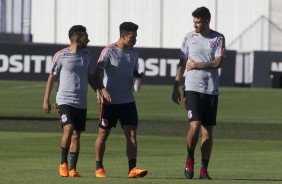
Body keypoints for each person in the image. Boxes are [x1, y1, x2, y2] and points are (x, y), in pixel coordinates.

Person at [172, 7, 226, 180]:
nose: (195, 25)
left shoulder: (218, 38)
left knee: (207, 131)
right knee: (194, 126)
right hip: (192, 87)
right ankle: (189, 158)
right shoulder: (189, 37)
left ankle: (204, 169)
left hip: (211, 89)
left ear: (207, 21)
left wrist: (197, 65)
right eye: (193, 22)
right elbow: (182, 63)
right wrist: (175, 86)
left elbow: (218, 62)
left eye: (198, 22)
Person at [94, 22, 148, 178]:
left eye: (136, 37)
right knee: (103, 135)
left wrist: (138, 76)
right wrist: (102, 90)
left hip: (127, 101)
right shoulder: (108, 51)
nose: (135, 40)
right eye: (132, 37)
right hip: (109, 102)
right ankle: (99, 167)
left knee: (132, 135)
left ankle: (132, 169)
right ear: (123, 36)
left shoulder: (134, 52)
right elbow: (97, 73)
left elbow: (133, 71)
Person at [43, 25, 97, 177]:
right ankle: (63, 164)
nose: (89, 39)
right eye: (86, 36)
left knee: (76, 135)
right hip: (64, 100)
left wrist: (98, 91)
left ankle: (73, 169)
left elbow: (91, 77)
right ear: (78, 38)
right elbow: (52, 77)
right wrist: (46, 100)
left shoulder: (87, 55)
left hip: (81, 101)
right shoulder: (60, 55)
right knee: (69, 129)